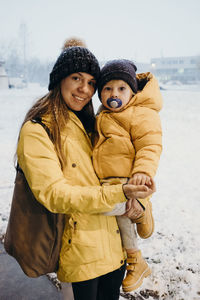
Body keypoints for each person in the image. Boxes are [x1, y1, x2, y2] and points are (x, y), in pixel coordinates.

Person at [16, 39, 155, 300]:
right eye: (76, 78)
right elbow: (54, 195)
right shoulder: (38, 130)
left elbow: (119, 169)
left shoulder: (92, 124)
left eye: (92, 82)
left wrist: (136, 201)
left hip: (115, 251)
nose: (84, 89)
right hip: (81, 256)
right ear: (59, 79)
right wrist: (120, 194)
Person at [92, 59, 163, 293]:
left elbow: (149, 145)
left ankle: (143, 208)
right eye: (108, 88)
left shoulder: (140, 113)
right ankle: (136, 261)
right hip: (108, 182)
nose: (115, 94)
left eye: (122, 88)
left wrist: (142, 171)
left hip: (128, 182)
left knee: (97, 206)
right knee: (122, 224)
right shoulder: (102, 115)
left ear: (132, 92)